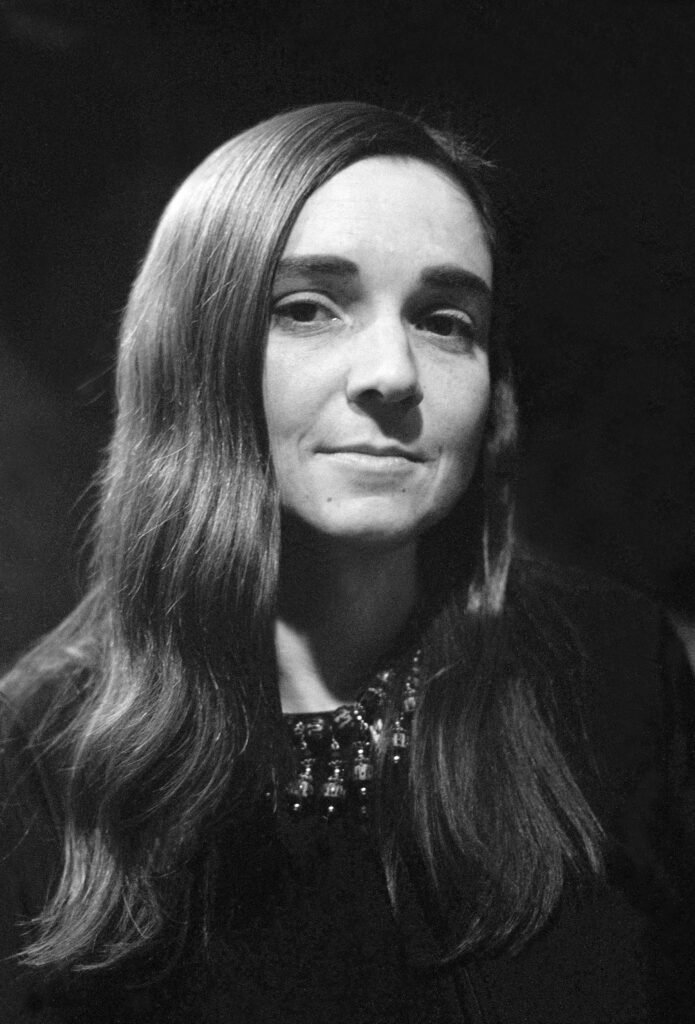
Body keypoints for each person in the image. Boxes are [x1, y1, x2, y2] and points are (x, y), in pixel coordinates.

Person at [0, 101, 693, 1024]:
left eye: (446, 321)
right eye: (308, 308)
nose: (394, 374)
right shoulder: (38, 761)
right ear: (192, 354)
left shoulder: (611, 674)